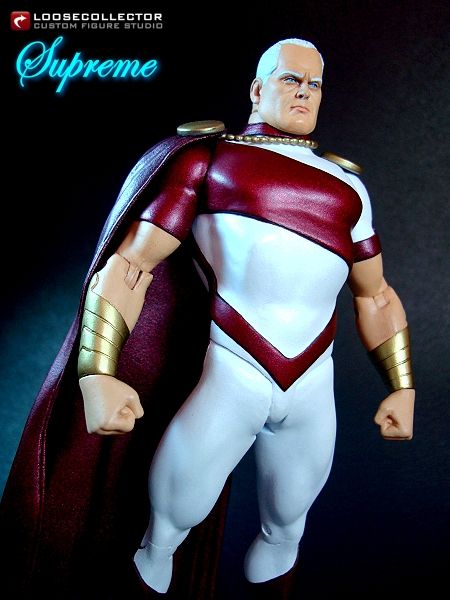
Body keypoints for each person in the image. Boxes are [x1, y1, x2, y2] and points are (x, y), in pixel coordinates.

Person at [77, 38, 415, 595]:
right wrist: (98, 372)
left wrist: (401, 386)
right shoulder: (208, 160)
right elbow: (132, 265)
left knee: (287, 530)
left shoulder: (349, 187)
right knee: (165, 531)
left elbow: (375, 296)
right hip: (234, 367)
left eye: (315, 84)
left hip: (313, 381)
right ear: (258, 89)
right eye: (290, 79)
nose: (305, 92)